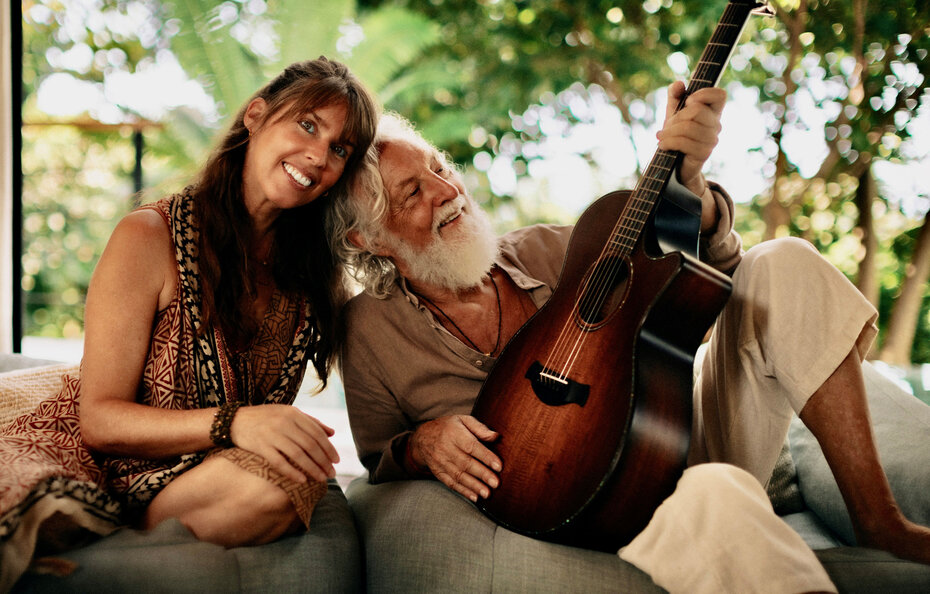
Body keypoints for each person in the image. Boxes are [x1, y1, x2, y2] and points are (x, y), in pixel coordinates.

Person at [329, 83, 930, 593]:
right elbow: (380, 453)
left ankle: (880, 522)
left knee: (782, 261)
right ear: (368, 240)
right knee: (712, 495)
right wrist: (423, 444)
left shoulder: (549, 247)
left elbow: (707, 268)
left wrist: (687, 180)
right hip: (591, 501)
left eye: (439, 168)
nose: (447, 192)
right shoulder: (369, 332)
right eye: (413, 192)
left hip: (677, 434)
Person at [0, 57, 378, 585]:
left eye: (340, 149)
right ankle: (114, 534)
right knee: (280, 487)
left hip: (214, 473)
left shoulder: (312, 277)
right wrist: (236, 421)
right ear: (255, 116)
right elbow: (101, 420)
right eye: (307, 125)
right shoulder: (147, 237)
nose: (318, 156)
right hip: (109, 466)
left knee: (297, 479)